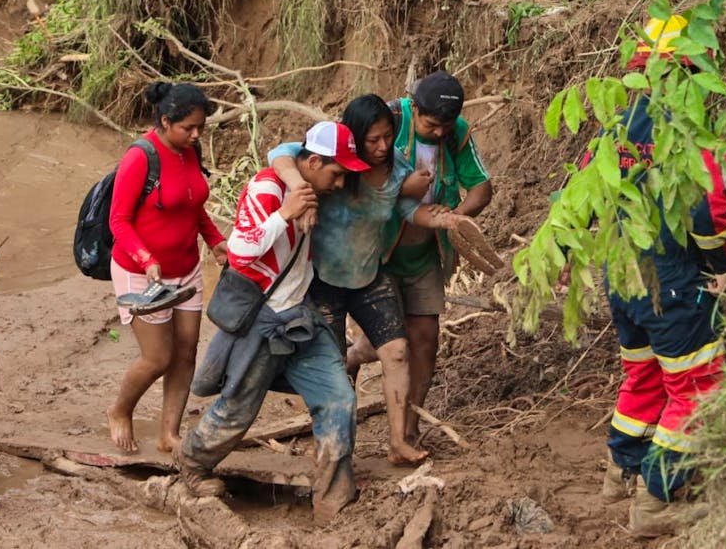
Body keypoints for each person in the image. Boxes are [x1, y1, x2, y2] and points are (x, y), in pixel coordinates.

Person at [268, 94, 474, 465]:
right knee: (331, 369)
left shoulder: (396, 166)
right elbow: (281, 153)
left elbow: (408, 209)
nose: (381, 147)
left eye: (387, 137)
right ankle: (333, 448)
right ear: (355, 137)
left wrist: (444, 219)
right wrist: (300, 189)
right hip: (323, 281)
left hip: (368, 275)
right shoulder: (334, 157)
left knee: (397, 351)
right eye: (372, 140)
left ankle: (398, 442)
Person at [177, 121, 365, 521]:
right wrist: (285, 214)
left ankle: (333, 499)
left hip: (300, 316)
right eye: (336, 174)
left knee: (339, 399)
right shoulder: (267, 189)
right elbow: (240, 251)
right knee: (238, 410)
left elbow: (286, 149)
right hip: (263, 320)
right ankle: (193, 464)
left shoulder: (308, 184)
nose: (340, 184)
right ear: (313, 163)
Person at [589, 15, 726, 537]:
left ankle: (619, 474)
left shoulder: (614, 128)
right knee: (698, 387)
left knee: (645, 377)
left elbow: (585, 196)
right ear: (690, 71)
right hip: (672, 280)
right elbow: (709, 212)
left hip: (621, 275)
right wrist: (722, 268)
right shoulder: (689, 133)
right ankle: (656, 501)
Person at [348, 71, 493, 443]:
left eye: (446, 126)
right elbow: (352, 179)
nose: (440, 132)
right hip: (379, 253)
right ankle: (351, 359)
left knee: (426, 339)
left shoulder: (457, 132)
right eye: (432, 125)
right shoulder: (388, 123)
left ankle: (409, 431)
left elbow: (481, 187)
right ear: (414, 107)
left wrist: (457, 217)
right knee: (386, 341)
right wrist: (403, 189)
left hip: (426, 252)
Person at [106, 82, 227, 453]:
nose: (196, 134)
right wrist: (146, 259)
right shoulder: (140, 157)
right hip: (140, 273)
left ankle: (168, 433)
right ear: (164, 122)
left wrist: (215, 240)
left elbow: (193, 206)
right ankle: (120, 410)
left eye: (200, 127)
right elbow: (118, 220)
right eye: (188, 128)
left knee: (186, 352)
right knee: (158, 357)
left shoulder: (191, 151)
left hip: (186, 268)